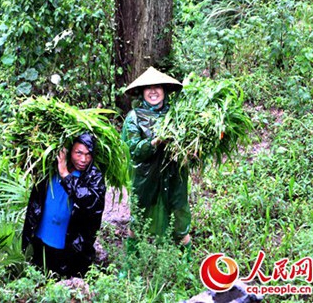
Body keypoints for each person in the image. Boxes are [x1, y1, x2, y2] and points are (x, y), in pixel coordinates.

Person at [121, 67, 191, 251]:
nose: (153, 91)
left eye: (157, 87)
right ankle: (131, 264)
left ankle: (185, 264)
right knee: (140, 217)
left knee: (179, 215)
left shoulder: (177, 115)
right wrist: (155, 142)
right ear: (142, 93)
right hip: (145, 176)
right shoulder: (134, 117)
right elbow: (134, 150)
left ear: (165, 90)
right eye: (148, 88)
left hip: (174, 174)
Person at [22, 132, 106, 277]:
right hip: (42, 237)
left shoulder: (93, 176)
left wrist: (65, 175)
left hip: (69, 246)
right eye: (78, 153)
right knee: (39, 276)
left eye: (88, 154)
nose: (83, 159)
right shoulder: (49, 167)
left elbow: (91, 201)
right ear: (68, 151)